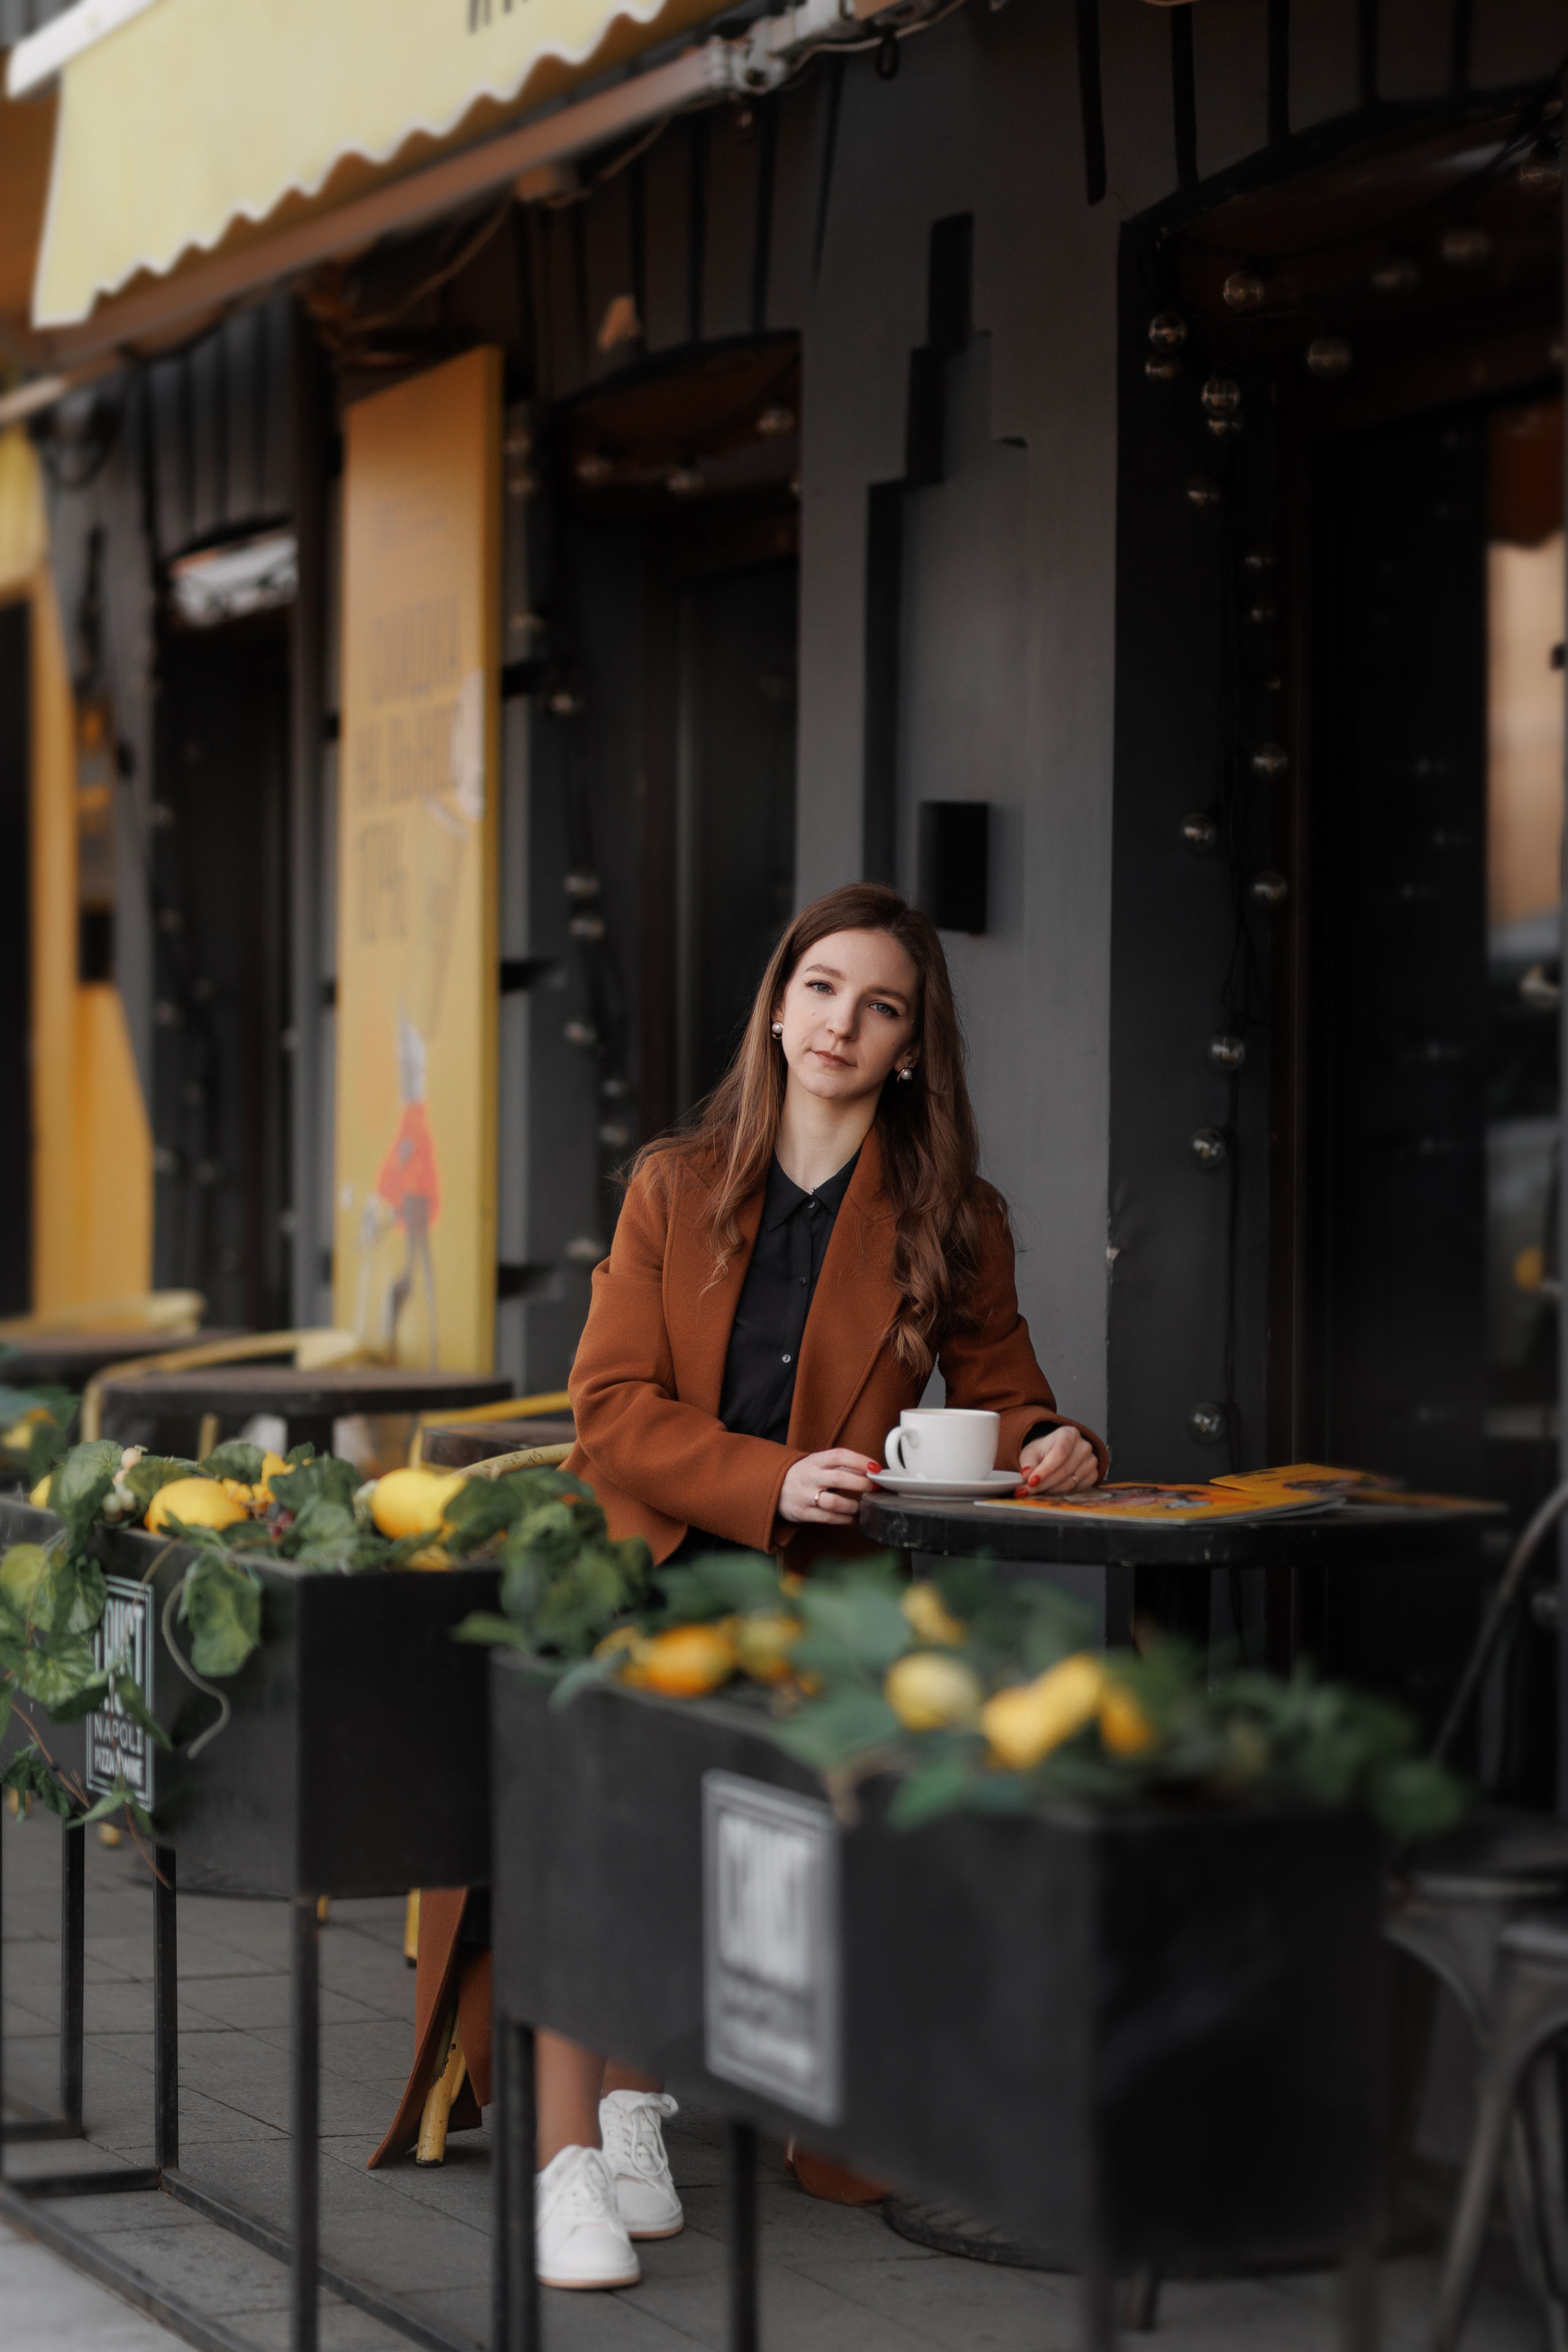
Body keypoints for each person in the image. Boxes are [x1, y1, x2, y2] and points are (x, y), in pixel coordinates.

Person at [371, 882, 1107, 2288]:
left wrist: (1051, 1443)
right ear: (777, 1007)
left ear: (910, 1046)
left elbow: (1004, 1391)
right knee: (595, 1809)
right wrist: (767, 1478)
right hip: (637, 1556)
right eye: (820, 988)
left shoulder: (953, 1217)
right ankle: (569, 2158)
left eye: (879, 1006)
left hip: (814, 1596)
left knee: (754, 1830)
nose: (841, 1023)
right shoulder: (674, 1182)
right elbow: (607, 1406)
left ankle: (642, 2093)